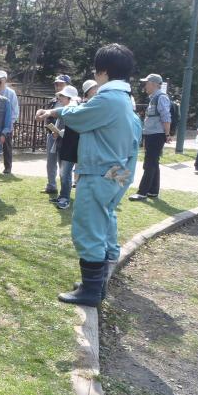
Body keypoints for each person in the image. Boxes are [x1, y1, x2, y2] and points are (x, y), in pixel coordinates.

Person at [35, 43, 141, 306]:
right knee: (103, 221)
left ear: (102, 71)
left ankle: (91, 291)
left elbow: (79, 117)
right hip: (116, 170)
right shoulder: (126, 101)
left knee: (88, 228)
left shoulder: (108, 99)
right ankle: (94, 284)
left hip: (98, 172)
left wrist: (55, 110)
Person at [129, 74, 171, 201]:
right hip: (152, 134)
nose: (145, 86)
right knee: (153, 162)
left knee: (149, 164)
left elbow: (166, 117)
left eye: (146, 83)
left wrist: (167, 134)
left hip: (156, 135)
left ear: (154, 84)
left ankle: (142, 192)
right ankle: (153, 191)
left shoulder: (161, 98)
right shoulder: (154, 98)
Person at [51, 85, 80, 210]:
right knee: (63, 172)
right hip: (64, 145)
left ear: (70, 98)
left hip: (71, 147)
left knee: (65, 173)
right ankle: (62, 195)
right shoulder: (65, 109)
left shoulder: (74, 109)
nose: (60, 98)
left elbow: (75, 130)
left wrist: (61, 132)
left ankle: (65, 199)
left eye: (63, 96)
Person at [42, 74, 72, 195]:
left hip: (66, 138)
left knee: (64, 164)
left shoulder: (74, 102)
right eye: (56, 84)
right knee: (50, 161)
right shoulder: (53, 101)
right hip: (52, 136)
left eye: (61, 84)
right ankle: (51, 186)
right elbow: (48, 118)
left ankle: (64, 191)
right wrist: (52, 131)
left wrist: (61, 132)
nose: (58, 86)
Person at [0, 70, 19, 174]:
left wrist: (10, 123)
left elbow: (15, 109)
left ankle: (8, 167)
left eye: (1, 78)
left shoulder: (11, 93)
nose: (0, 80)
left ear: (5, 79)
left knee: (7, 146)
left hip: (7, 123)